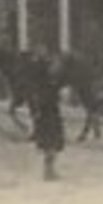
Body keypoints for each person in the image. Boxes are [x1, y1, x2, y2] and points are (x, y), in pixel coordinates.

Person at [31, 52, 66, 181]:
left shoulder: (52, 83)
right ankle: (48, 172)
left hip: (51, 115)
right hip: (48, 117)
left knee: (52, 146)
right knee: (50, 146)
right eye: (54, 67)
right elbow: (43, 100)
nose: (56, 70)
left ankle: (49, 171)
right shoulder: (46, 85)